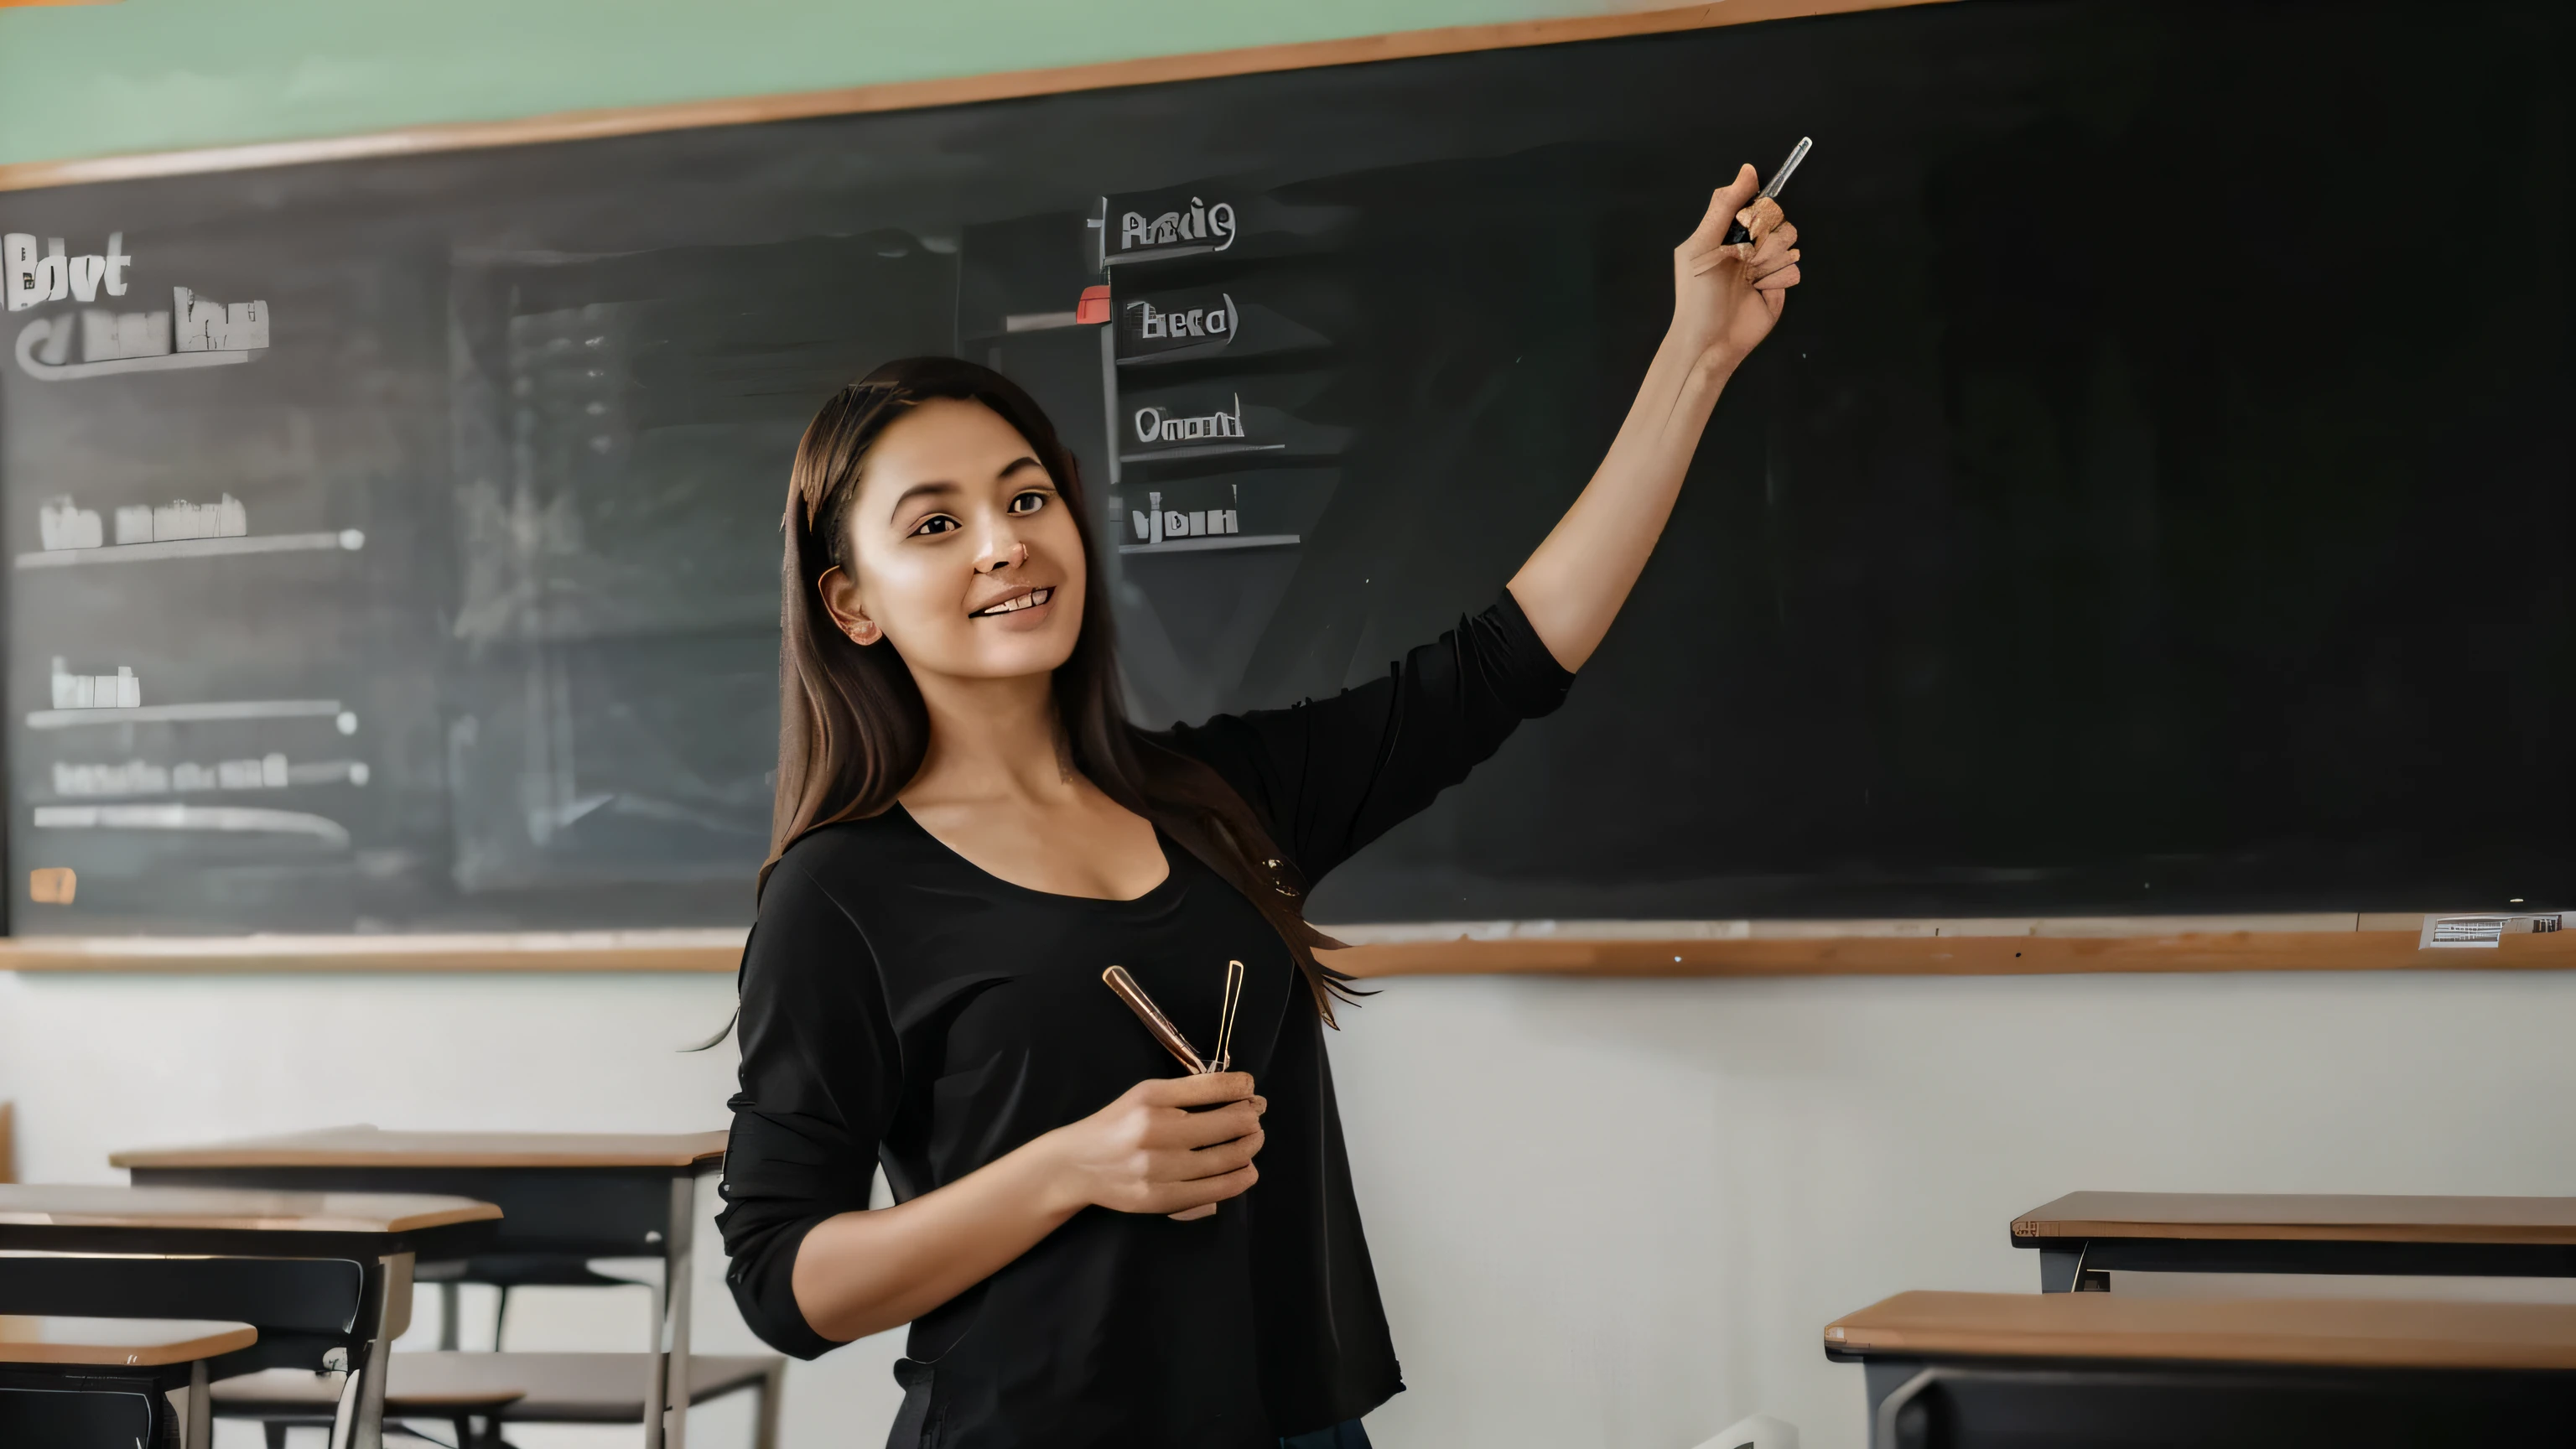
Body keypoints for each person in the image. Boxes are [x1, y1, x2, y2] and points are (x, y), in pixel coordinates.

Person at [716, 168, 1802, 1449]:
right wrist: (1067, 1169)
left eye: (1024, 499)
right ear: (854, 604)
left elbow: (1514, 656)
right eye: (936, 525)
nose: (1003, 545)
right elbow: (783, 1284)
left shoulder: (1219, 798)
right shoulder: (842, 892)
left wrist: (1698, 357)